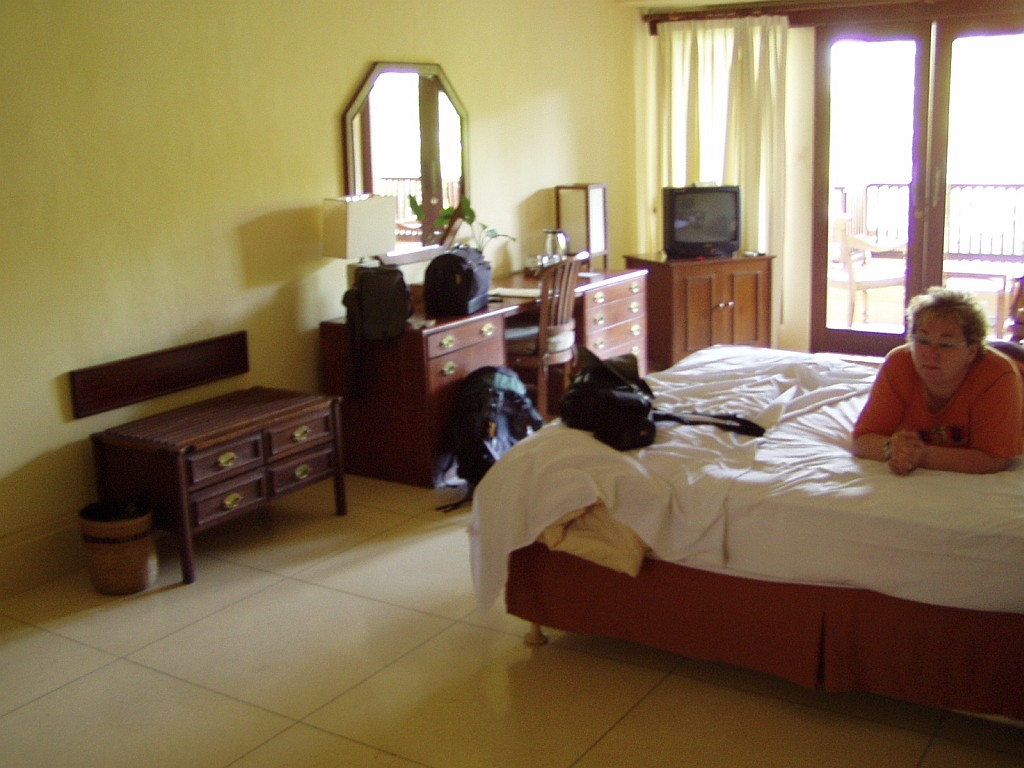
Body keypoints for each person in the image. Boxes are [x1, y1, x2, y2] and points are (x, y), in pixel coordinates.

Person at [853, 287, 1024, 475]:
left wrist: (922, 456)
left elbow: (994, 459)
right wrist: (893, 450)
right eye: (923, 340)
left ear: (972, 351)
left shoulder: (999, 376)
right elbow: (862, 440)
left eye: (945, 344)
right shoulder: (899, 363)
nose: (930, 353)